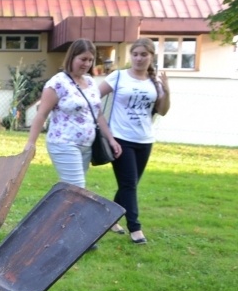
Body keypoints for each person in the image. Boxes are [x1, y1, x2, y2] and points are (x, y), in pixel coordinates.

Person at [99, 38, 170, 245]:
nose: (139, 58)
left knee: (128, 184)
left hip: (145, 140)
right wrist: (106, 132)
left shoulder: (154, 82)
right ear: (131, 56)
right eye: (135, 54)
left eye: (144, 55)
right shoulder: (118, 76)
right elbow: (93, 98)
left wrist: (167, 89)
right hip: (120, 139)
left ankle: (109, 218)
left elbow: (163, 111)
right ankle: (135, 228)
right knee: (129, 184)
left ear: (151, 57)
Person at [26, 38, 121, 190]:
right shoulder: (57, 83)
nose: (87, 64)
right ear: (72, 57)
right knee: (77, 189)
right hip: (64, 143)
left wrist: (110, 139)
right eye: (83, 59)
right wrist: (31, 143)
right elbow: (41, 114)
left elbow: (98, 114)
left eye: (90, 60)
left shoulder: (90, 82)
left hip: (86, 146)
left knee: (70, 191)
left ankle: (57, 213)